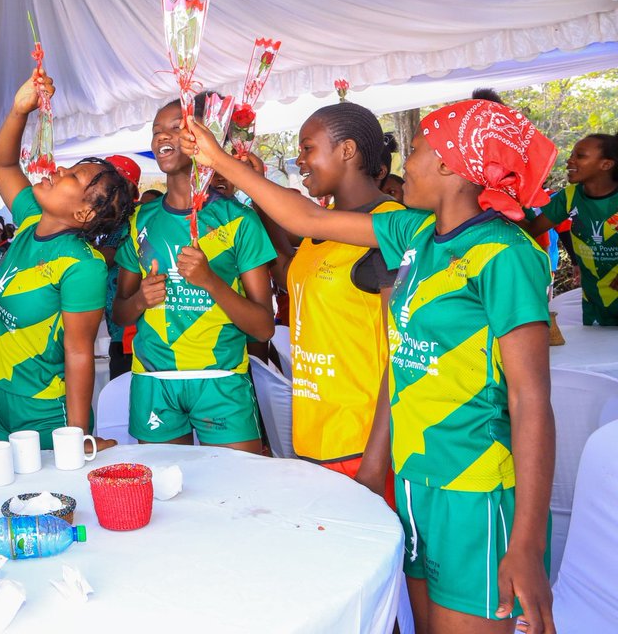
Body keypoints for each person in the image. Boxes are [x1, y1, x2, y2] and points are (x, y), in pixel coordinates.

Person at [183, 99, 557, 634]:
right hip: (413, 476)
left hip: (473, 487)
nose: (404, 162)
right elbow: (306, 217)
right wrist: (217, 158)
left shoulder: (505, 253)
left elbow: (530, 399)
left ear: (451, 165)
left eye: (419, 149)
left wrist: (525, 542)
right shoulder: (414, 234)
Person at [0, 69, 135, 451]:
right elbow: (2, 165)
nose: (60, 169)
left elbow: (79, 353)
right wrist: (19, 110)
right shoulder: (30, 220)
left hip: (44, 410)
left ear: (84, 213)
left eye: (74, 176)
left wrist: (76, 437)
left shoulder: (83, 265)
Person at [111, 102, 276, 451]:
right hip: (154, 381)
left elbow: (263, 327)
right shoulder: (139, 221)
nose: (162, 137)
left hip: (222, 380)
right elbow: (120, 314)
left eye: (176, 127)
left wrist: (210, 281)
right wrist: (140, 300)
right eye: (156, 131)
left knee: (241, 485)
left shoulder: (239, 220)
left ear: (205, 137)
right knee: (166, 487)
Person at [260, 103, 403, 499]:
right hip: (315, 436)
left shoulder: (388, 227)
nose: (299, 160)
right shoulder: (324, 228)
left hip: (360, 444)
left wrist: (375, 462)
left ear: (347, 150)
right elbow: (293, 276)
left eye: (308, 148)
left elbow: (400, 356)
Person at [526, 133, 618, 326]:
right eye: (571, 155)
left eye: (580, 156)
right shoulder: (569, 196)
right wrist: (505, 205)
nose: (569, 161)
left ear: (606, 164)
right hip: (594, 307)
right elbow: (531, 230)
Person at [96, 155, 142, 381]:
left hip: (133, 333)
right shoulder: (108, 222)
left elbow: (107, 258)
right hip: (117, 330)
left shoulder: (133, 219)